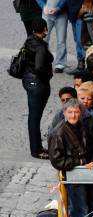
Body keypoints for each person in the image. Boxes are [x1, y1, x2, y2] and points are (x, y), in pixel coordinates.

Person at [48, 99, 93, 217]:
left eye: (76, 112)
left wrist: (92, 161)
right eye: (70, 112)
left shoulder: (83, 126)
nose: (73, 115)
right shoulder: (58, 132)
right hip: (74, 177)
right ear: (64, 113)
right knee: (80, 211)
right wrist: (81, 162)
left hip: (87, 174)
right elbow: (57, 160)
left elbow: (92, 146)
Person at [21, 17, 53, 159]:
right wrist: (45, 76)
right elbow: (39, 66)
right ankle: (36, 150)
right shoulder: (40, 47)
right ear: (45, 29)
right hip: (37, 84)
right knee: (35, 117)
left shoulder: (29, 41)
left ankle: (37, 147)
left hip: (28, 80)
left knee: (33, 117)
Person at [35, 0, 68, 73]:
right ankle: (44, 60)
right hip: (46, 13)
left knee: (61, 39)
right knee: (44, 38)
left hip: (61, 14)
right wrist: (44, 7)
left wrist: (58, 8)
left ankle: (60, 63)